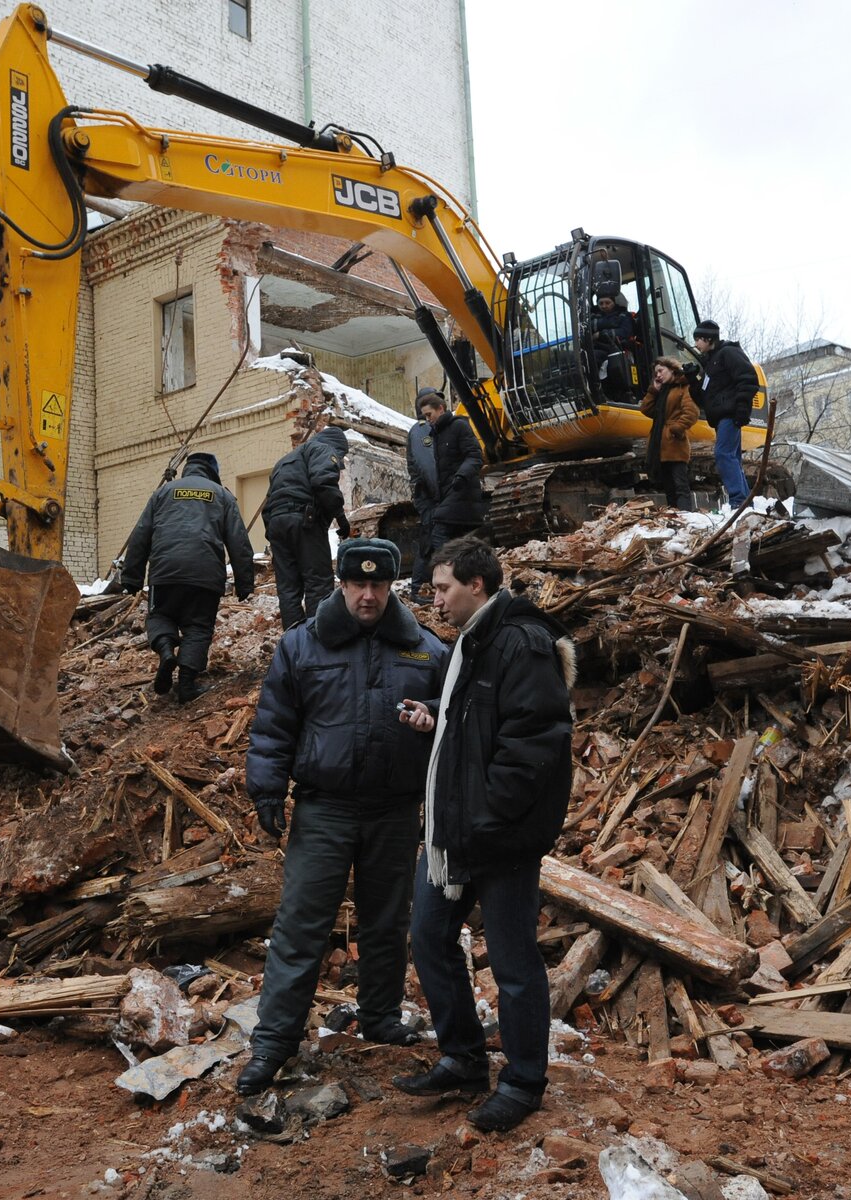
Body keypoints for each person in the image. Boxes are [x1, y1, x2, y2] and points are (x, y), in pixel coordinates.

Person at [237, 537, 450, 1095]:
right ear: (342, 583)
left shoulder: (427, 651)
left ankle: (379, 1018)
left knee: (386, 922)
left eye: (379, 585)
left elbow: (456, 728)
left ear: (393, 586)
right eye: (359, 583)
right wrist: (266, 789)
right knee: (301, 926)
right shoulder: (302, 647)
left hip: (395, 810)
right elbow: (274, 725)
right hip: (324, 809)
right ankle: (273, 1043)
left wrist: (432, 726)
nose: (368, 595)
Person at [392, 536, 575, 1133]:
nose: (436, 601)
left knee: (514, 962)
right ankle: (464, 1057)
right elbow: (474, 736)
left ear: (477, 584)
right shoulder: (471, 645)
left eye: (443, 588)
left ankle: (523, 1082)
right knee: (429, 936)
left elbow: (534, 746)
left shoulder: (521, 643)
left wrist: (488, 818)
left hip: (497, 838)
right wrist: (432, 725)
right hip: (454, 834)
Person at [121, 452, 255, 703]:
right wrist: (244, 582)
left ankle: (165, 651)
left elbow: (140, 534)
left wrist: (132, 577)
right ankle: (186, 684)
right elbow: (239, 541)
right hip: (205, 576)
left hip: (164, 573)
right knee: (199, 627)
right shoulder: (222, 495)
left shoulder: (163, 492)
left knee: (160, 615)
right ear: (213, 472)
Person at [262, 425, 351, 630]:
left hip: (277, 524)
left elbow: (268, 504)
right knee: (318, 581)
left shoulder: (284, 462)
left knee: (288, 588)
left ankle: (294, 641)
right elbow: (323, 482)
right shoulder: (322, 449)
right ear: (337, 446)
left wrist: (274, 533)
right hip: (304, 520)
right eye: (341, 455)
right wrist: (340, 516)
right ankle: (318, 638)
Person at [691, 319, 757, 508]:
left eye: (698, 340)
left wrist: (742, 409)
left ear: (708, 339)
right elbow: (702, 398)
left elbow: (748, 379)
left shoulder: (728, 353)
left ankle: (738, 500)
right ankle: (744, 502)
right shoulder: (710, 363)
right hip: (720, 417)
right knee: (732, 458)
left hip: (730, 414)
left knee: (723, 454)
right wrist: (691, 379)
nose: (696, 344)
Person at [416, 388, 487, 554]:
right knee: (458, 542)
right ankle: (461, 573)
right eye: (425, 416)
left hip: (462, 491)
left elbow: (476, 456)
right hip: (450, 494)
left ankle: (449, 573)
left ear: (440, 409)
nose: (428, 420)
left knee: (439, 535)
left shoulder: (459, 426)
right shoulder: (437, 434)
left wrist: (461, 476)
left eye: (429, 415)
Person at [639, 356, 700, 511]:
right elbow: (646, 409)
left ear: (672, 369)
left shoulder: (682, 387)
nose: (658, 375)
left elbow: (691, 412)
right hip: (660, 445)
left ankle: (686, 517)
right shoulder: (661, 391)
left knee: (680, 484)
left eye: (661, 371)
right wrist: (653, 391)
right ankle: (674, 517)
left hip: (675, 443)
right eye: (656, 373)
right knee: (669, 487)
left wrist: (676, 429)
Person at [406, 390, 439, 604]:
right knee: (429, 539)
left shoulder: (431, 428)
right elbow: (429, 466)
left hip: (432, 493)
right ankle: (418, 588)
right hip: (429, 495)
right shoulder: (421, 430)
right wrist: (440, 494)